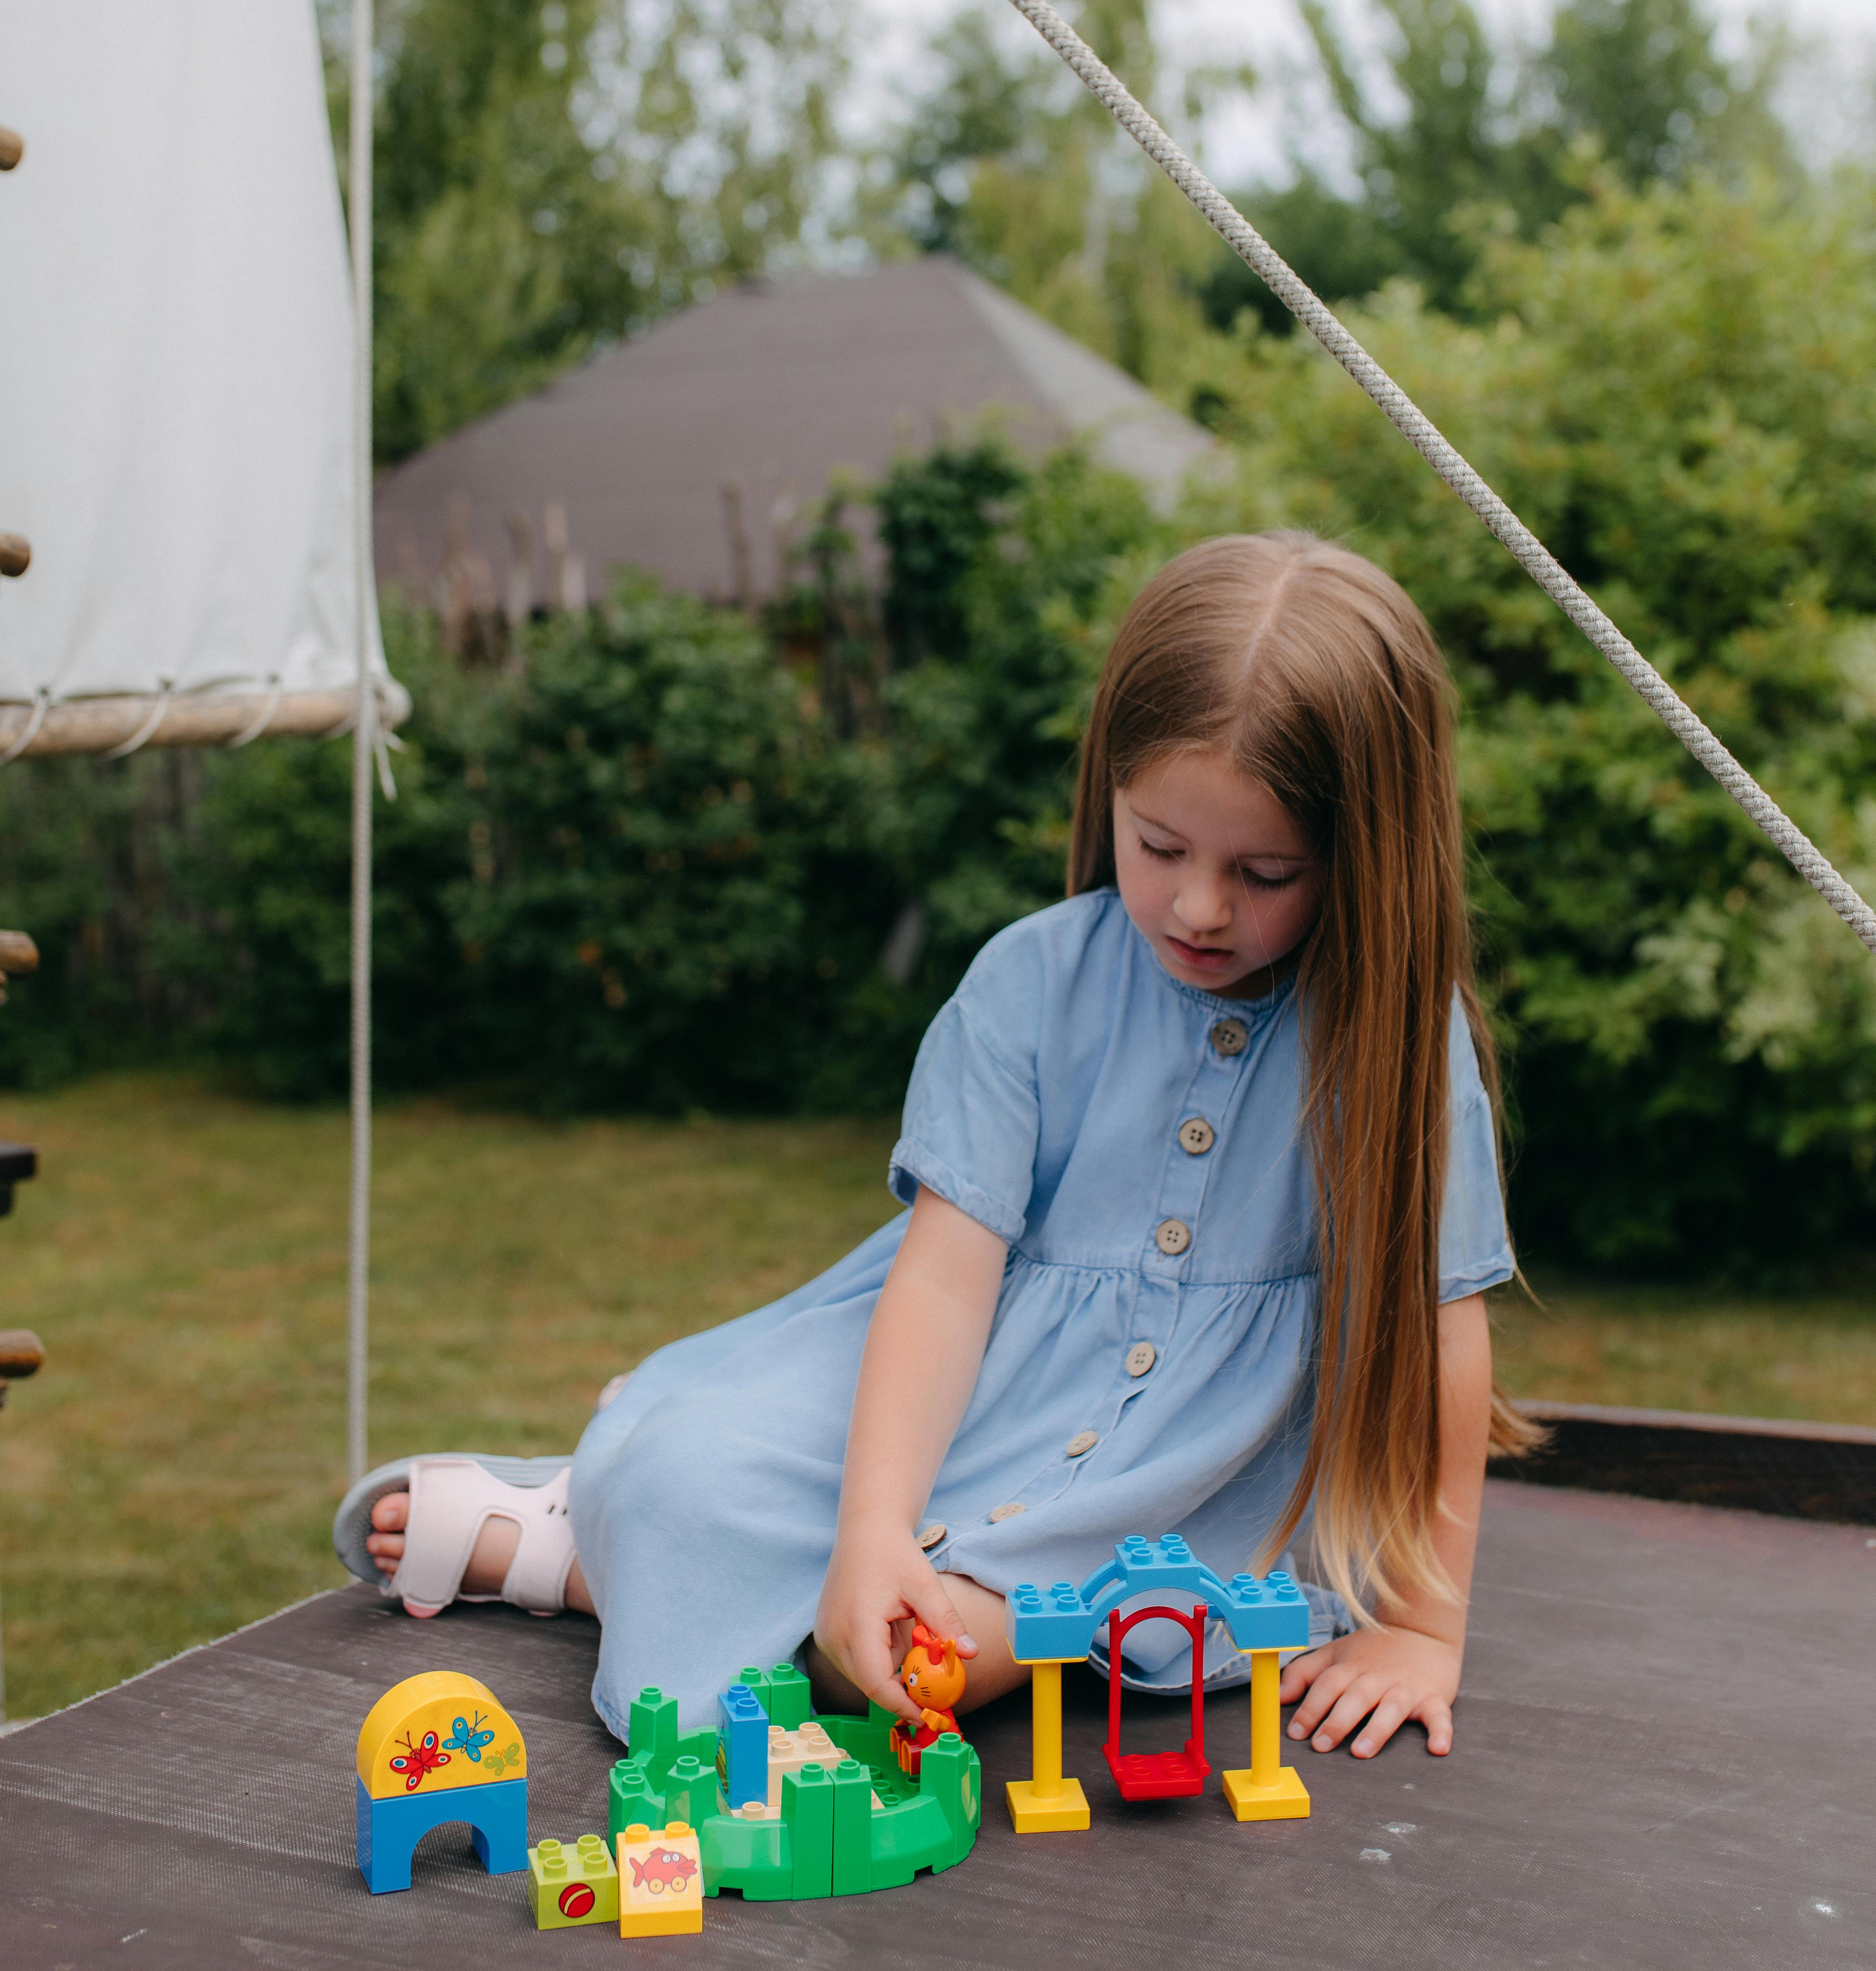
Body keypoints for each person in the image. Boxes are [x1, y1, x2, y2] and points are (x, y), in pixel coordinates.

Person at [334, 531, 1531, 1762]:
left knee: (918, 1665)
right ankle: (604, 1517)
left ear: (1366, 858)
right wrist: (874, 1530)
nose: (1200, 907)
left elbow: (1445, 1324)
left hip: (1196, 1481)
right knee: (703, 1475)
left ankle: (580, 1560)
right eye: (1160, 846)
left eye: (1267, 870)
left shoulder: (1393, 1038)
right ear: (1109, 788)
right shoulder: (1029, 984)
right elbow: (947, 1282)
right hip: (970, 1391)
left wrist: (1426, 1630)